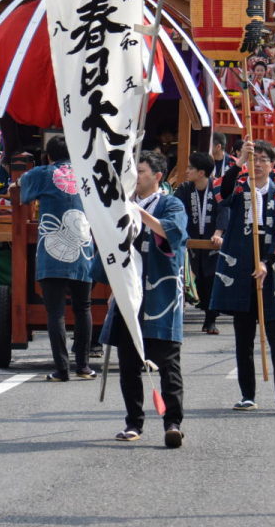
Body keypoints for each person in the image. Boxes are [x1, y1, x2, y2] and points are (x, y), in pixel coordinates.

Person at [95, 151, 188, 447]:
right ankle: (133, 422)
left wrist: (135, 211)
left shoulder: (171, 204)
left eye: (143, 171)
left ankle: (172, 422)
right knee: (128, 362)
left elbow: (170, 232)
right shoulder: (122, 207)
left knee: (168, 362)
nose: (137, 177)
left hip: (160, 293)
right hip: (128, 294)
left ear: (158, 176)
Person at [211, 140, 275, 415]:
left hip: (270, 269)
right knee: (243, 334)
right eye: (254, 159)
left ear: (273, 165)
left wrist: (266, 262)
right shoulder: (239, 188)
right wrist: (238, 162)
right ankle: (247, 394)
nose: (258, 164)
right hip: (240, 269)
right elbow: (219, 193)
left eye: (263, 159)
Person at [19, 136, 97, 381]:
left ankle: (62, 369)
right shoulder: (89, 174)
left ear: (48, 156)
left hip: (52, 250)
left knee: (56, 313)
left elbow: (21, 186)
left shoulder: (43, 173)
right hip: (83, 249)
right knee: (83, 307)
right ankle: (83, 366)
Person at [174, 152, 227, 334]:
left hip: (213, 242)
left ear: (201, 172)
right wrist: (182, 233)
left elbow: (224, 210)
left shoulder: (217, 188)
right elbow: (178, 212)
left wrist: (219, 232)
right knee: (193, 280)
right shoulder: (184, 189)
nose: (187, 171)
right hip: (191, 241)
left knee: (211, 281)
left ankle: (210, 320)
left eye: (191, 168)